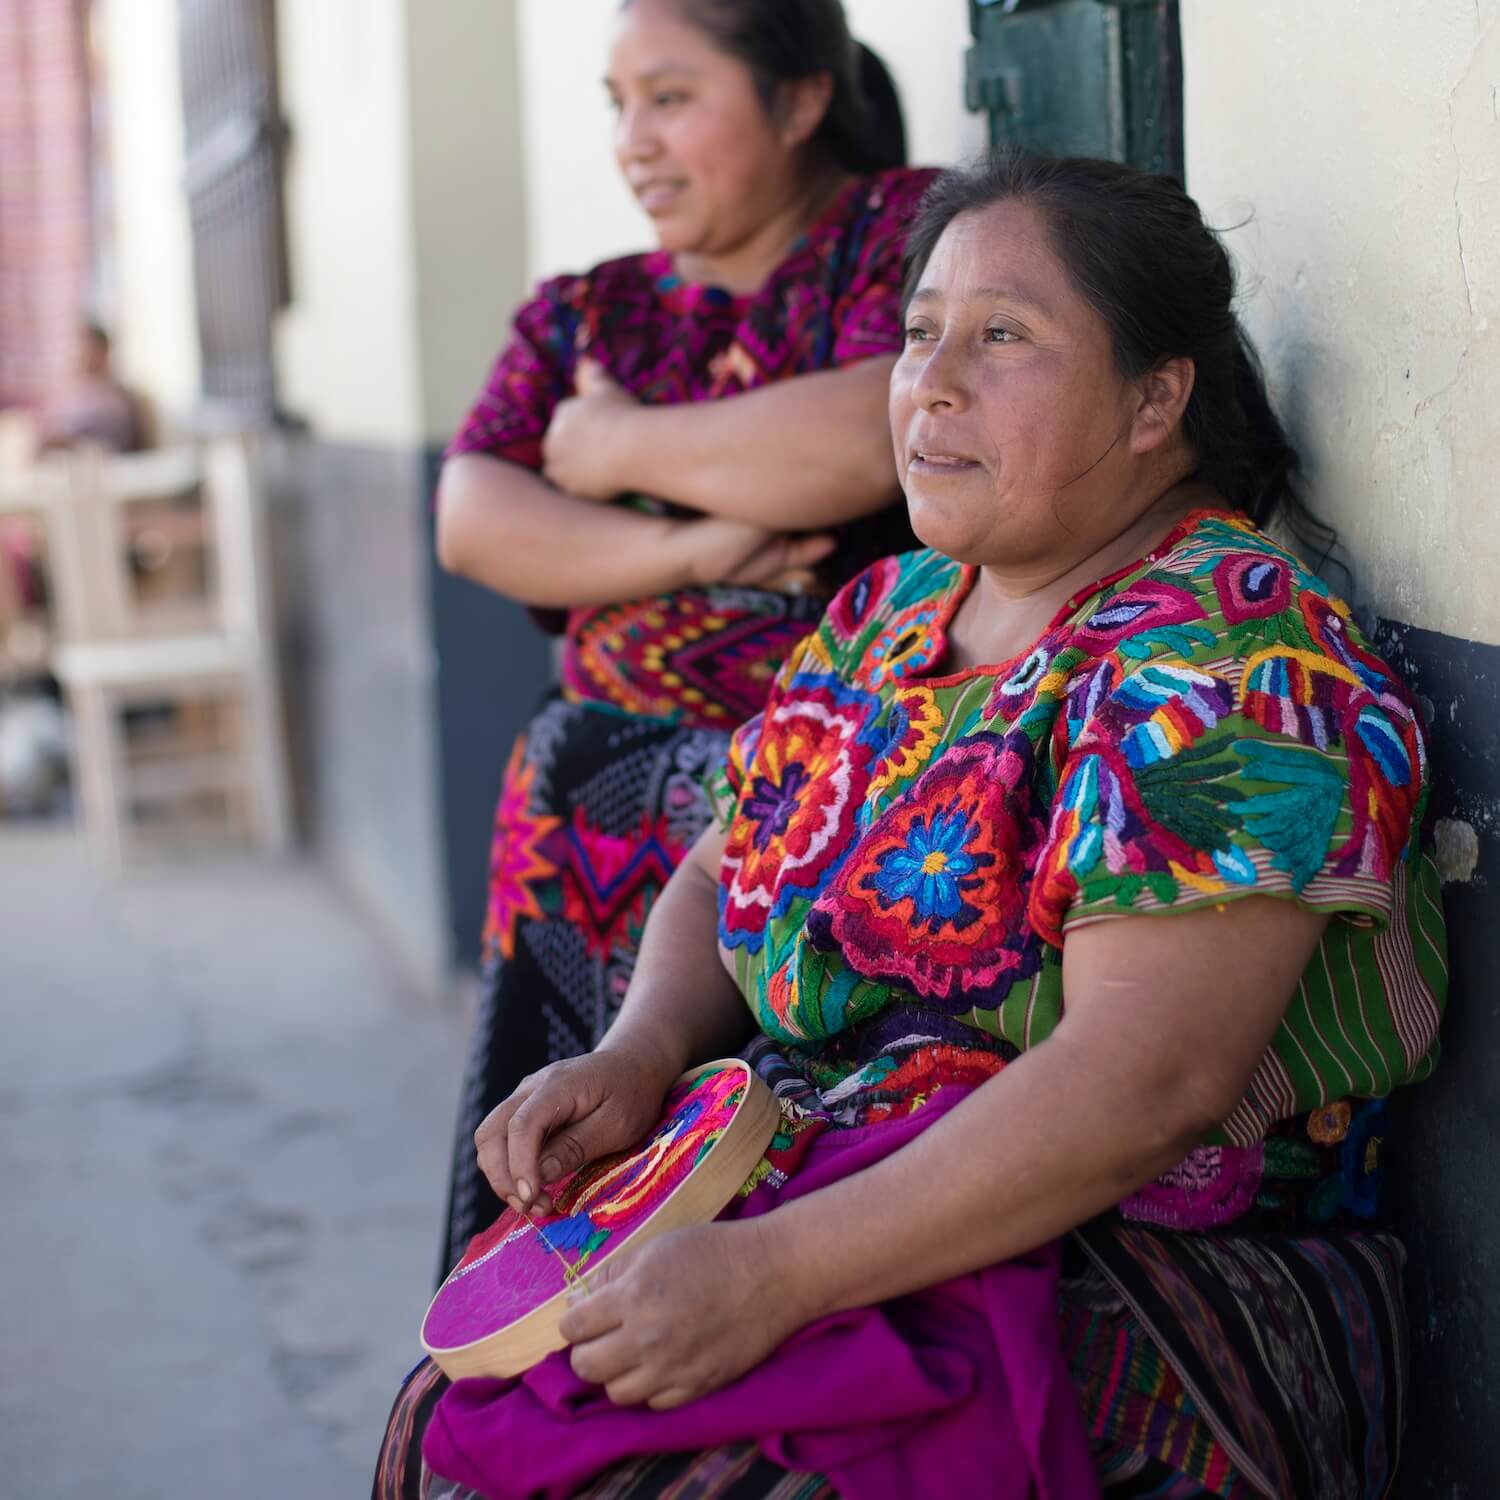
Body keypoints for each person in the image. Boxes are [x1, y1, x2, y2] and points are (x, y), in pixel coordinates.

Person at [379, 152, 1448, 1500]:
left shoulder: (1228, 658)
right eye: (918, 333)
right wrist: (642, 1048)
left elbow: (1142, 1085)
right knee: (466, 1418)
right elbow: (724, 866)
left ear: (1155, 398)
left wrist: (773, 1273)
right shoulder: (889, 614)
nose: (932, 383)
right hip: (841, 1196)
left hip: (1130, 1279)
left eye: (1003, 336)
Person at [433, 0, 937, 1277]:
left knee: (750, 1194)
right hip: (582, 821)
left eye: (671, 95)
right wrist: (698, 547)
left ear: (802, 96)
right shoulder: (588, 313)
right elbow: (477, 518)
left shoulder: (904, 236)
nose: (632, 142)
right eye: (616, 102)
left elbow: (876, 430)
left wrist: (610, 450)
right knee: (557, 1158)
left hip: (820, 813)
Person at [37, 322, 144, 454]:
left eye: (90, 348)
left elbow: (111, 445)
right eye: (80, 347)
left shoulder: (114, 399)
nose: (83, 354)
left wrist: (67, 444)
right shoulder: (73, 392)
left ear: (104, 352)